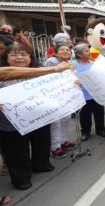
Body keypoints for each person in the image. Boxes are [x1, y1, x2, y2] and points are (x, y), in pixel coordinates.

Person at [0, 43, 55, 190]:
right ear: (6, 58)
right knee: (15, 150)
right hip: (10, 122)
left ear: (31, 57)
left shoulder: (41, 71)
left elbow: (57, 86)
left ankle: (41, 164)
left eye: (24, 54)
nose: (19, 58)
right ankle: (21, 178)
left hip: (40, 116)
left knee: (42, 142)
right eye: (14, 54)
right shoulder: (2, 74)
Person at [43, 43, 77, 159]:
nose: (65, 51)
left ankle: (63, 141)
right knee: (55, 122)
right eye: (62, 50)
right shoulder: (51, 63)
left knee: (66, 119)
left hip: (66, 97)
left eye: (67, 50)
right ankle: (55, 147)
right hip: (53, 97)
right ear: (56, 53)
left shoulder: (71, 64)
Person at [73, 43, 105, 142]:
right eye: (86, 51)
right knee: (85, 115)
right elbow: (69, 77)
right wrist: (75, 80)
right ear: (79, 54)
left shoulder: (93, 63)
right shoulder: (74, 64)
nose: (89, 52)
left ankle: (100, 129)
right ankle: (85, 132)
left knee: (99, 112)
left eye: (89, 50)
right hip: (82, 95)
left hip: (96, 94)